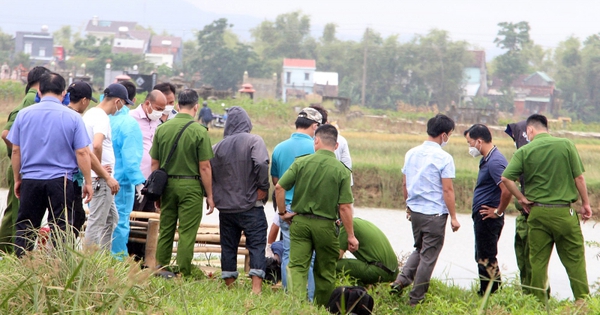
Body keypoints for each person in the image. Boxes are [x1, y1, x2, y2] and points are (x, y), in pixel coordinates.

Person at [501, 114, 592, 302]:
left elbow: (506, 178)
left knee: (538, 263)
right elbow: (579, 178)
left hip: (538, 213)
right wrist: (585, 204)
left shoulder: (525, 151)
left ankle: (539, 305)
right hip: (563, 213)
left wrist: (521, 198)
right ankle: (583, 303)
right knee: (575, 261)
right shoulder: (566, 145)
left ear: (530, 130)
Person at [7, 72, 93, 257]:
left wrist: (17, 178)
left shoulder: (24, 115)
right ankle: (58, 266)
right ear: (63, 93)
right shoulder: (73, 117)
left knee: (26, 226)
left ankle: (21, 266)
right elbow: (82, 152)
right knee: (61, 227)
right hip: (61, 181)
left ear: (39, 90)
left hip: (31, 179)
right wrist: (88, 181)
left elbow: (16, 150)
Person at [275, 124, 358, 306]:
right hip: (326, 226)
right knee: (325, 271)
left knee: (297, 267)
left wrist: (283, 213)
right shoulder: (342, 171)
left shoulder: (301, 162)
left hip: (300, 223)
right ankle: (321, 307)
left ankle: (296, 306)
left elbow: (279, 187)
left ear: (316, 141)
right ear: (336, 146)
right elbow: (344, 207)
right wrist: (350, 236)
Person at [390, 114, 460, 306]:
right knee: (428, 256)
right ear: (443, 135)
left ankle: (400, 281)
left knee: (419, 248)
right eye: (450, 134)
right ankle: (416, 299)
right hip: (434, 214)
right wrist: (454, 217)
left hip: (416, 212)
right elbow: (447, 189)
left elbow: (405, 183)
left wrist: (409, 206)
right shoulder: (445, 158)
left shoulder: (411, 153)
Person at [150, 89, 214, 277]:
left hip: (167, 186)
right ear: (196, 107)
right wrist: (209, 195)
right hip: (191, 187)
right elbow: (205, 167)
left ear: (177, 106)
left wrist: (156, 191)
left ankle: (161, 269)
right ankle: (183, 272)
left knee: (167, 228)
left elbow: (155, 163)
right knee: (187, 231)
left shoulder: (162, 129)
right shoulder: (200, 131)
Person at [210, 106, 270, 294]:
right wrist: (263, 186)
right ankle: (256, 289)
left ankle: (230, 288)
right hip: (251, 205)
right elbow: (261, 162)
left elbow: (207, 171)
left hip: (226, 208)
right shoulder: (254, 140)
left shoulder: (216, 147)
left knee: (228, 246)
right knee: (257, 244)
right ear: (247, 122)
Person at [271, 107, 322, 296]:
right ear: (315, 126)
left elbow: (276, 182)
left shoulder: (279, 147)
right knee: (309, 257)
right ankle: (307, 298)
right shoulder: (316, 149)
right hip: (309, 209)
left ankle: (288, 295)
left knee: (287, 254)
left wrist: (283, 212)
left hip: (287, 209)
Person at [0, 66, 49, 253]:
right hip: (21, 165)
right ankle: (12, 252)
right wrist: (24, 153)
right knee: (19, 213)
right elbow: (7, 134)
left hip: (20, 164)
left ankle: (4, 251)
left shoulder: (31, 98)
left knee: (13, 210)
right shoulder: (32, 99)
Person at [83, 83, 133, 250]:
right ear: (117, 101)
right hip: (102, 179)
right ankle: (88, 262)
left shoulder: (89, 113)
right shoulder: (102, 117)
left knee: (112, 218)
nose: (121, 108)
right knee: (96, 222)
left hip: (99, 176)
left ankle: (103, 259)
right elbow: (96, 145)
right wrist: (101, 173)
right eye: (123, 104)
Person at [66, 81, 120, 237]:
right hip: (82, 177)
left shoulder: (86, 114)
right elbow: (91, 148)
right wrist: (101, 173)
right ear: (84, 100)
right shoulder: (82, 118)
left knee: (110, 219)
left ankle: (99, 257)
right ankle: (88, 258)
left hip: (72, 176)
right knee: (84, 220)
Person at [464, 124, 511, 295]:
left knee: (487, 257)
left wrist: (498, 211)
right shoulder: (487, 159)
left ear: (479, 141)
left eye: (470, 143)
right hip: (482, 215)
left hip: (489, 217)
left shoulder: (495, 161)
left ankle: (491, 293)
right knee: (482, 254)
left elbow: (507, 189)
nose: (470, 147)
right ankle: (487, 290)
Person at [110, 81, 146, 257]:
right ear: (132, 100)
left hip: (97, 180)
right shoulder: (129, 124)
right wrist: (138, 182)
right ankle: (116, 260)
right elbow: (131, 159)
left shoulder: (100, 117)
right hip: (121, 183)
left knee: (99, 222)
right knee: (120, 222)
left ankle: (95, 259)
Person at [504, 120, 533, 293]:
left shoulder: (526, 155)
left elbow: (506, 180)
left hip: (532, 217)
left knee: (532, 259)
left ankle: (535, 296)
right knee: (523, 258)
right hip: (523, 217)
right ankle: (528, 294)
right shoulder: (522, 157)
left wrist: (520, 197)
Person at [130, 90, 167, 212]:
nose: (160, 113)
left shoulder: (159, 123)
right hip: (135, 179)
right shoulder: (131, 118)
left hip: (152, 180)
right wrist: (136, 181)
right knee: (133, 216)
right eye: (158, 108)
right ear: (147, 103)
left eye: (162, 110)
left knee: (149, 218)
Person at [337, 218, 398, 285]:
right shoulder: (357, 222)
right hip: (393, 272)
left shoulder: (347, 227)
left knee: (330, 265)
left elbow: (336, 256)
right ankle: (361, 289)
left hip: (379, 270)